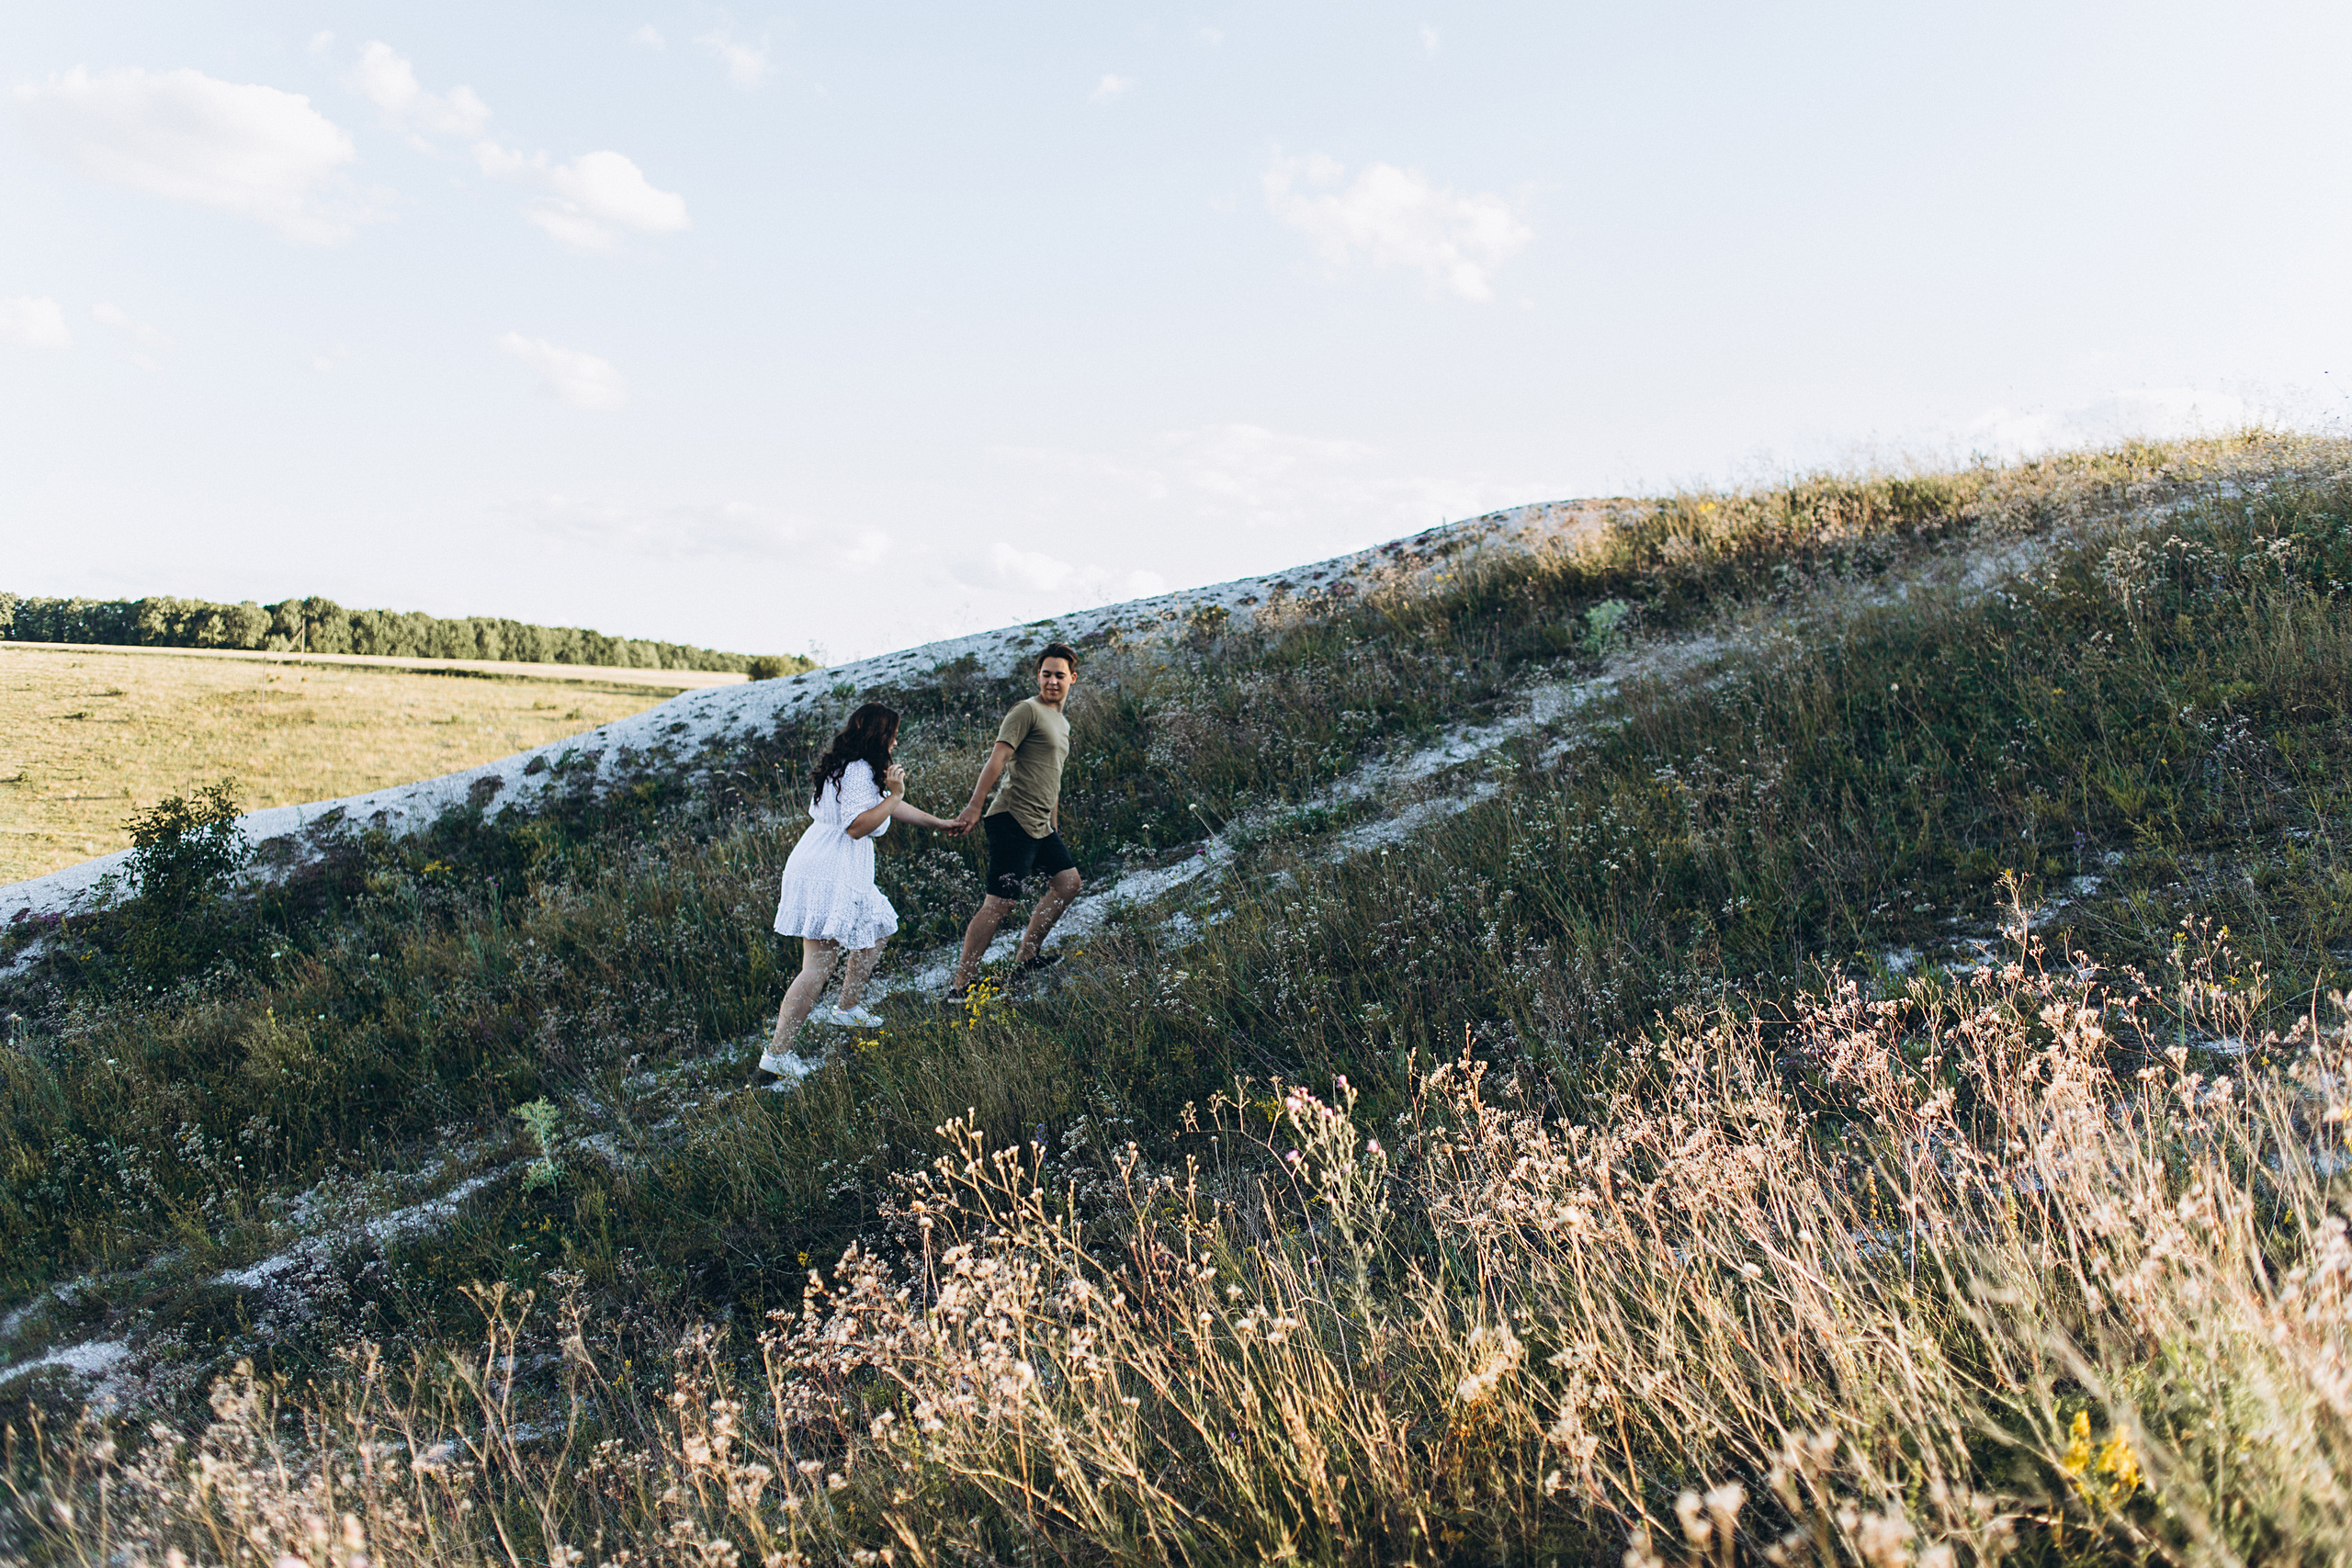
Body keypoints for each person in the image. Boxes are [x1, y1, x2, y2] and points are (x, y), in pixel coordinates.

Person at [758, 703, 957, 1083]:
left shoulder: (851, 766)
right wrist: (896, 794)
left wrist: (938, 823)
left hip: (824, 862)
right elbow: (856, 826)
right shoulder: (859, 769)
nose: (896, 742)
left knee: (878, 925)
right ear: (880, 735)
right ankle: (777, 1054)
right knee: (816, 968)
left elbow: (883, 809)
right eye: (893, 734)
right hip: (833, 868)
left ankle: (847, 1008)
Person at [944, 643, 1082, 1001]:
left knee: (1068, 884)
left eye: (1060, 675)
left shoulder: (1062, 722)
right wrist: (974, 807)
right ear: (1039, 677)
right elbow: (997, 760)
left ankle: (1027, 956)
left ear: (1072, 679)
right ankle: (962, 985)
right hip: (1011, 819)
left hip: (1041, 824)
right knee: (1000, 903)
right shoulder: (1026, 711)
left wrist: (1053, 821)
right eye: (1046, 674)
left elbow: (1053, 775)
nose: (1053, 681)